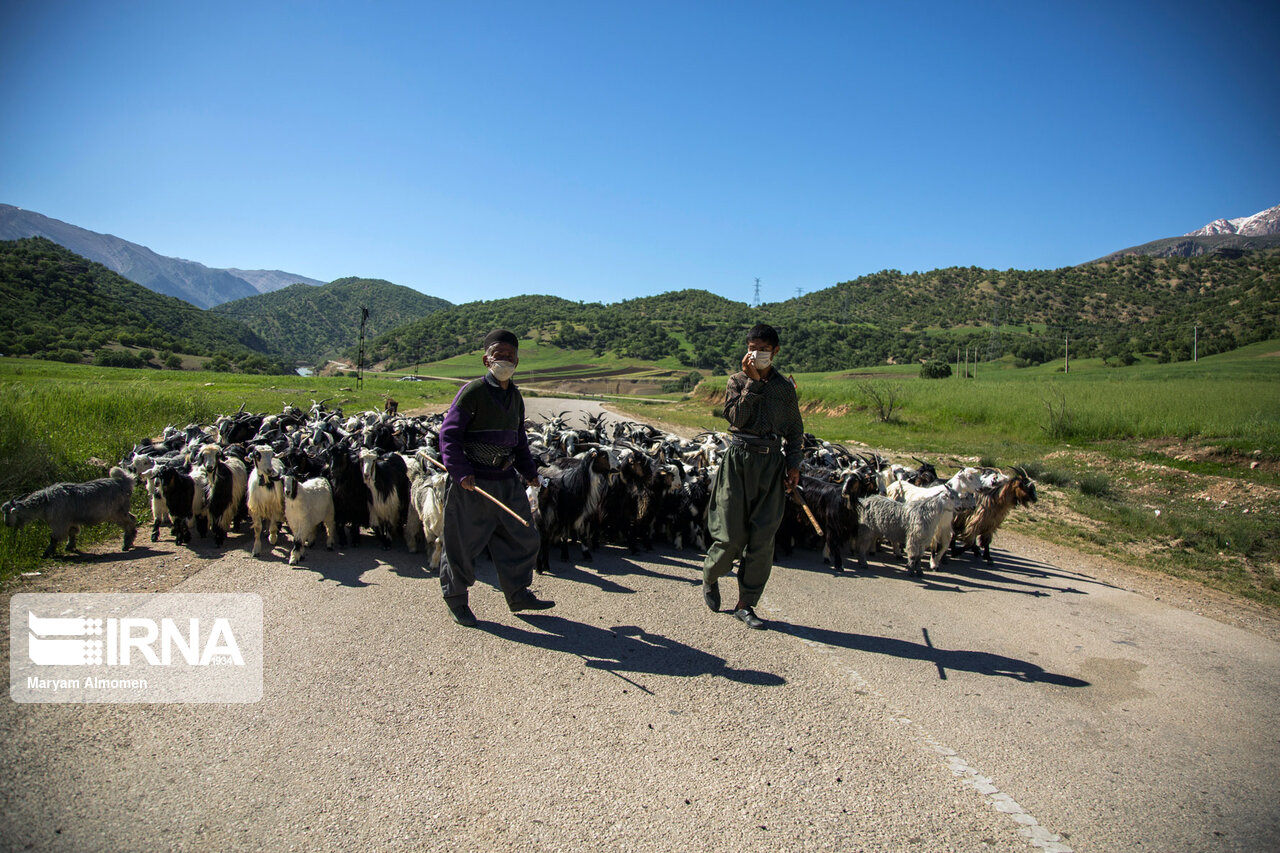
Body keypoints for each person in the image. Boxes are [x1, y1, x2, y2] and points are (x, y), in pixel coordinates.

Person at [438, 329, 554, 627]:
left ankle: (517, 593)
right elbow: (449, 436)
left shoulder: (515, 396)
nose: (504, 360)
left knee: (524, 537)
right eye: (498, 355)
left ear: (517, 360)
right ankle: (456, 600)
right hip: (473, 483)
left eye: (510, 356)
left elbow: (519, 441)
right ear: (485, 359)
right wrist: (461, 472)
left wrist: (530, 473)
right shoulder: (473, 392)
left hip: (506, 480)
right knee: (460, 543)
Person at [701, 323, 804, 630]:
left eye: (762, 349)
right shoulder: (737, 381)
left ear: (775, 351)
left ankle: (746, 604)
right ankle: (710, 573)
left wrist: (794, 464)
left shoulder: (785, 389)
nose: (755, 354)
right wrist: (754, 384)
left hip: (771, 465)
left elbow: (795, 431)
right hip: (739, 461)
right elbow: (737, 418)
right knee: (731, 536)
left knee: (762, 540)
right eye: (751, 348)